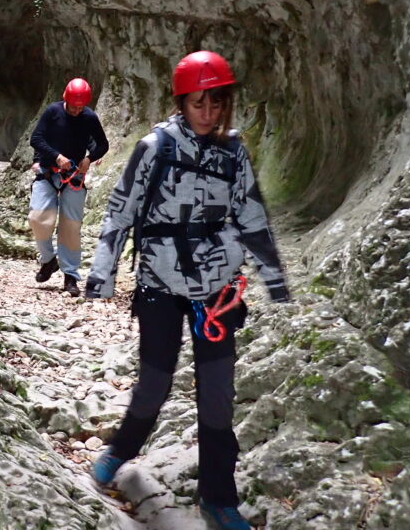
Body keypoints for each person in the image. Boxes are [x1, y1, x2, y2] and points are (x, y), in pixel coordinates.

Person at [84, 51, 290, 530]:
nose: (208, 113)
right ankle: (120, 451)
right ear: (181, 102)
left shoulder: (233, 152)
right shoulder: (155, 148)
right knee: (155, 382)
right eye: (199, 103)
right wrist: (102, 276)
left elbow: (251, 215)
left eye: (217, 103)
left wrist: (274, 280)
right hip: (160, 281)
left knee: (218, 392)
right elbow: (121, 210)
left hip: (216, 285)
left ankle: (218, 497)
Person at [28, 77, 109, 296]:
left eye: (80, 107)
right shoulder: (52, 112)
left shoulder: (89, 117)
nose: (76, 110)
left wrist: (89, 159)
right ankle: (48, 260)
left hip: (73, 176)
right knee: (37, 218)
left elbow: (103, 144)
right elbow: (36, 139)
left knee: (71, 226)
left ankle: (70, 276)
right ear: (66, 99)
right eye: (73, 106)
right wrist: (56, 157)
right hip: (48, 171)